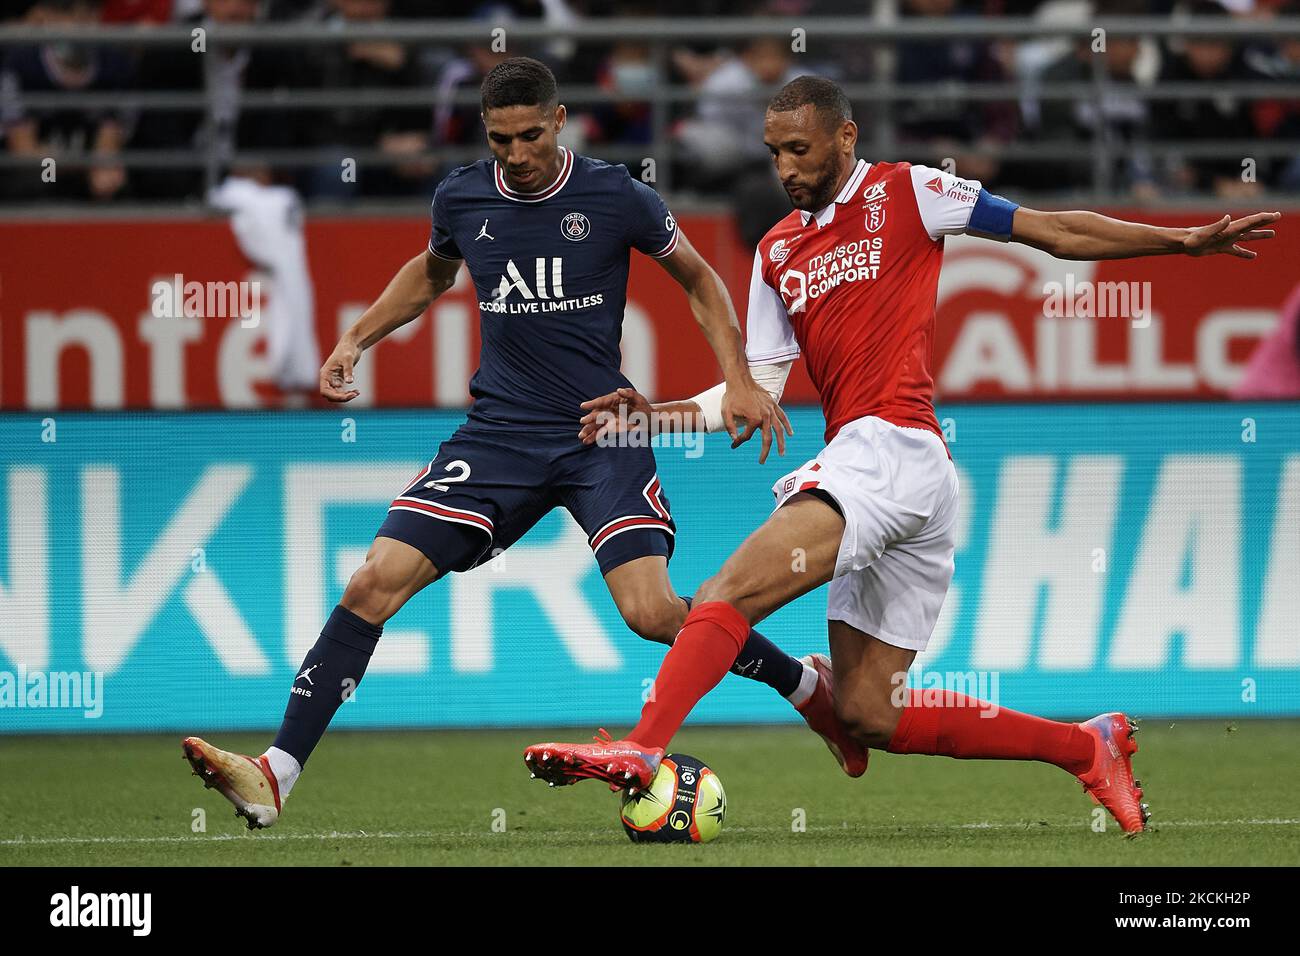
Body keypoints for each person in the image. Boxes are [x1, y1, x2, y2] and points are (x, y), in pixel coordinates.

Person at [524, 75, 1282, 833]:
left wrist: (1179, 242)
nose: (785, 167)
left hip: (891, 449)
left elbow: (1051, 231)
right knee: (867, 713)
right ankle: (1086, 748)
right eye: (773, 152)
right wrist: (649, 419)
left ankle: (643, 748)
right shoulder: (776, 253)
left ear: (844, 138)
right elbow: (750, 397)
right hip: (889, 475)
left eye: (799, 148)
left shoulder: (911, 191)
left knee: (726, 592)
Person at [180, 58, 862, 830]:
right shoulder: (463, 196)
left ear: (560, 120)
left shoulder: (615, 195)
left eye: (531, 134)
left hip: (601, 432)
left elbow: (701, 280)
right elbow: (432, 273)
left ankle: (806, 687)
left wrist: (738, 378)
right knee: (372, 582)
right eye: (501, 139)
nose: (517, 152)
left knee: (652, 612)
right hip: (498, 436)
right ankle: (276, 772)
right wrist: (357, 337)